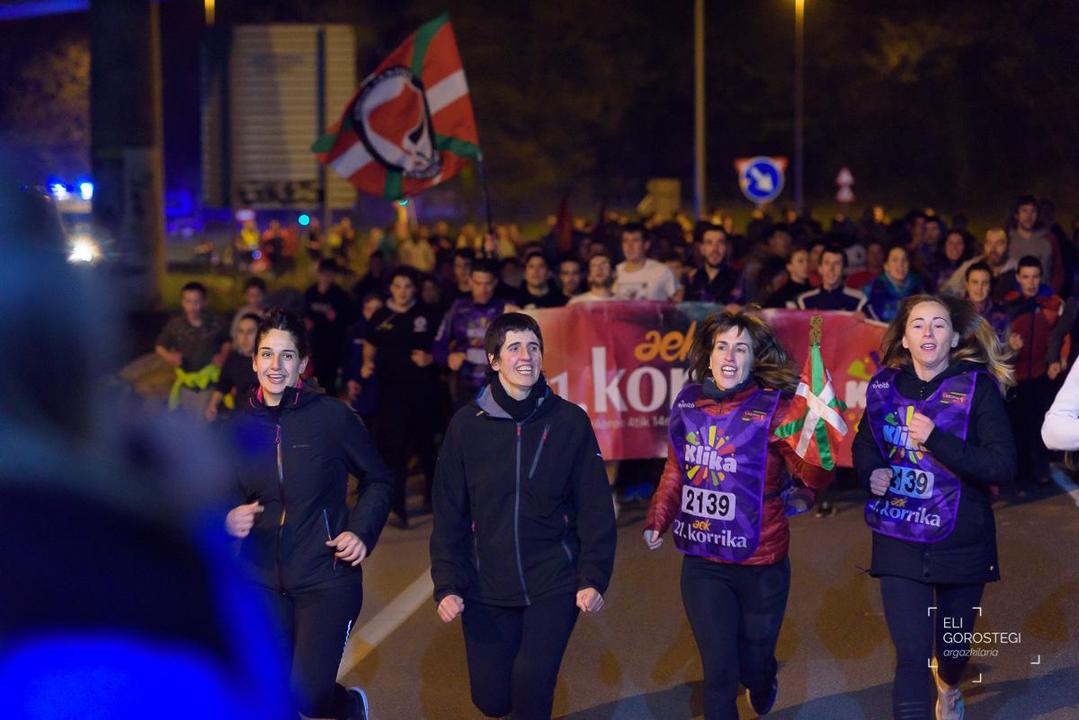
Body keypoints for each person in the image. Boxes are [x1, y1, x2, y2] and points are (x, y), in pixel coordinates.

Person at [642, 310, 832, 720]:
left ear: (753, 358)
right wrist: (659, 516)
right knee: (719, 674)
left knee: (754, 664)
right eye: (722, 347)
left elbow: (813, 476)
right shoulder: (688, 403)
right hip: (704, 562)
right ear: (709, 356)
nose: (729, 357)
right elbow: (676, 469)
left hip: (761, 563)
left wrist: (817, 442)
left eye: (740, 348)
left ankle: (763, 679)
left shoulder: (775, 409)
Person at [430, 312, 617, 720]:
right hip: (486, 585)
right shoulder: (466, 426)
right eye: (514, 347)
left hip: (553, 581)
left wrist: (593, 576)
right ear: (494, 360)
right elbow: (448, 515)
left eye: (533, 347)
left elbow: (595, 506)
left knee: (532, 683)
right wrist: (448, 583)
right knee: (493, 700)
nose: (526, 356)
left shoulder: (569, 421)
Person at [223, 308, 393, 720]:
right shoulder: (238, 427)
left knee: (309, 697)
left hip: (325, 576)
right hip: (261, 578)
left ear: (302, 364)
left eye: (287, 356)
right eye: (267, 354)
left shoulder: (332, 417)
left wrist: (361, 532)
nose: (275, 365)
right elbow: (217, 494)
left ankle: (348, 707)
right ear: (254, 361)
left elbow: (379, 479)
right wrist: (226, 518)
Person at [853, 294, 1015, 720]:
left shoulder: (978, 388)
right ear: (904, 338)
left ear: (954, 338)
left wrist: (935, 439)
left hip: (962, 541)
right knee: (910, 658)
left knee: (953, 652)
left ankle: (950, 684)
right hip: (900, 537)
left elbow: (1002, 465)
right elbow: (866, 443)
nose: (928, 332)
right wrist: (871, 472)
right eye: (918, 324)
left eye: (939, 324)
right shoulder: (883, 388)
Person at [363, 267, 442, 527]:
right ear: (390, 288)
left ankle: (432, 496)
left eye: (407, 286)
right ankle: (398, 507)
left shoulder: (427, 314)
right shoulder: (381, 315)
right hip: (391, 391)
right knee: (394, 448)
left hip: (422, 389)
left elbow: (443, 344)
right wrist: (366, 363)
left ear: (415, 289)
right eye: (398, 286)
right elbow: (370, 343)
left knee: (425, 445)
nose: (403, 291)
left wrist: (430, 358)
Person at [1002, 256, 1066, 494]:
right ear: (1018, 278)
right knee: (1018, 428)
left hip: (1041, 375)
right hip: (1015, 378)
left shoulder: (1051, 304)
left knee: (1040, 425)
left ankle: (1040, 470)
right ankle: (1020, 475)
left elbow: (1063, 334)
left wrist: (1058, 359)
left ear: (1041, 277)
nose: (1031, 282)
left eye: (1035, 277)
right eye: (1026, 277)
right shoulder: (1009, 305)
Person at [433, 260, 511, 408]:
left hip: (500, 386)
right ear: (469, 282)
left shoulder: (507, 308)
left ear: (495, 283)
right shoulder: (457, 308)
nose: (483, 289)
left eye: (488, 283)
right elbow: (437, 347)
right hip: (465, 387)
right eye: (478, 283)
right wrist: (449, 357)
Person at [155, 281, 230, 417]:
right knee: (187, 421)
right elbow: (159, 347)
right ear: (182, 302)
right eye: (188, 302)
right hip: (186, 383)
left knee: (205, 420)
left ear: (204, 302)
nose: (192, 307)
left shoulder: (216, 322)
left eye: (197, 302)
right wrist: (170, 357)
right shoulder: (175, 324)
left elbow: (227, 341)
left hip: (209, 383)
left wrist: (223, 355)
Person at [305, 258, 355, 395]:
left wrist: (336, 318)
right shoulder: (311, 293)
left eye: (330, 274)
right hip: (314, 343)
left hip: (333, 345)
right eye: (324, 273)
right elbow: (306, 314)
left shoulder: (340, 295)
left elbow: (348, 318)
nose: (327, 277)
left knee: (330, 380)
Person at [205, 312, 261, 422]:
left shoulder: (269, 361)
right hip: (241, 417)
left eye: (250, 332)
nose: (244, 337)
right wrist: (212, 405)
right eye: (241, 331)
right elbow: (223, 384)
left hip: (265, 419)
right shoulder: (234, 359)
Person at [942, 227, 1017, 300]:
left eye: (999, 244)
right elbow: (948, 291)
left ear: (1007, 246)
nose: (993, 248)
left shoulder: (1016, 268)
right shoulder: (972, 264)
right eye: (989, 243)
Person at [613, 222, 680, 301]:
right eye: (625, 241)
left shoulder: (662, 271)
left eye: (635, 241)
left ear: (646, 245)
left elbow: (679, 302)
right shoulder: (616, 273)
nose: (629, 246)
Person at [684, 222, 745, 305]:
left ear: (727, 247)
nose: (715, 249)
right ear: (702, 249)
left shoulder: (738, 277)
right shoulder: (692, 278)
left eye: (720, 242)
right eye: (709, 243)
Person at [796, 245, 868, 312]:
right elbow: (808, 322)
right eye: (827, 263)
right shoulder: (805, 301)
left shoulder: (858, 300)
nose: (831, 269)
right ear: (820, 268)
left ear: (843, 269)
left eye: (837, 264)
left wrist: (861, 319)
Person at [864, 244, 923, 322]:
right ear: (886, 266)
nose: (900, 264)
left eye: (904, 260)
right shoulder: (872, 289)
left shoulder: (919, 288)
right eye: (895, 260)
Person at [963, 262, 1009, 342]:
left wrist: (1011, 346)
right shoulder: (956, 314)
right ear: (967, 285)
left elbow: (1004, 344)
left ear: (990, 286)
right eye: (975, 282)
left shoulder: (1001, 315)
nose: (979, 288)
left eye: (984, 283)